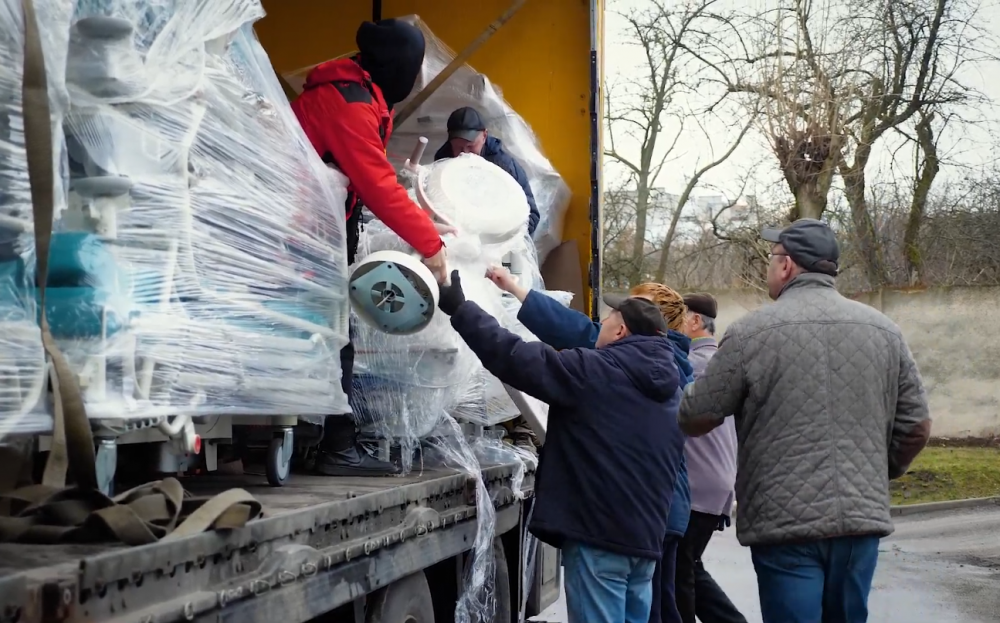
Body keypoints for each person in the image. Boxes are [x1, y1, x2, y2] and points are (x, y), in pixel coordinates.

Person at [677, 219, 932, 623]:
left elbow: (695, 415)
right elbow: (916, 425)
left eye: (771, 258)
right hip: (857, 520)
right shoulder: (885, 331)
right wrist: (875, 472)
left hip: (784, 524)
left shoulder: (749, 334)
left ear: (787, 265)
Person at [437, 268, 685, 623]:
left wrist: (460, 308)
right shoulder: (672, 391)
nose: (600, 327)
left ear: (621, 330)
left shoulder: (596, 371)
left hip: (600, 540)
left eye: (606, 319)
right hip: (643, 545)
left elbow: (516, 357)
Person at [292, 18, 452, 476]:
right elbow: (377, 185)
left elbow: (369, 177)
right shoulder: (350, 104)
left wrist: (426, 220)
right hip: (304, 233)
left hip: (316, 227)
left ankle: (318, 434)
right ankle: (335, 447)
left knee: (329, 331)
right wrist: (430, 242)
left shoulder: (355, 93)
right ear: (397, 67)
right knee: (334, 332)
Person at [675, 293, 745, 623]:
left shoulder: (695, 366)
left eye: (679, 316)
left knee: (681, 572)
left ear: (695, 321)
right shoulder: (719, 364)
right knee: (688, 565)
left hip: (697, 486)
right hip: (714, 482)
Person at [433, 106, 540, 235]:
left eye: (471, 146)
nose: (465, 153)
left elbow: (532, 216)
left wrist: (501, 239)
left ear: (484, 136)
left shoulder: (504, 165)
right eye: (459, 147)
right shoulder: (443, 159)